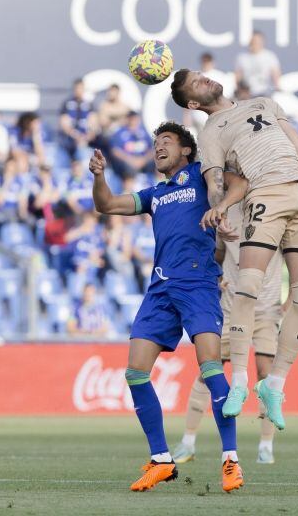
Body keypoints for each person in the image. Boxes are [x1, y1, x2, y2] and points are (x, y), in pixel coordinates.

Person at [170, 68, 298, 431]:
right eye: (196, 83)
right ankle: (239, 380)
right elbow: (214, 178)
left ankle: (274, 385)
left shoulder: (264, 103)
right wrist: (219, 207)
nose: (206, 79)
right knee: (249, 286)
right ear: (193, 102)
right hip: (263, 195)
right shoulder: (211, 131)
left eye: (203, 75)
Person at [90, 122, 244, 493]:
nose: (158, 147)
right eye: (156, 142)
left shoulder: (200, 175)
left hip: (198, 284)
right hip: (160, 288)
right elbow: (106, 204)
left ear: (186, 150)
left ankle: (230, 459)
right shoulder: (155, 194)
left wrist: (221, 206)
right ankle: (161, 459)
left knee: (210, 366)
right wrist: (99, 175)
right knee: (135, 372)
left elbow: (239, 182)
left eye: (167, 141)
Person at [172, 200, 283, 465]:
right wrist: (215, 275)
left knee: (266, 371)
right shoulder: (228, 212)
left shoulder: (277, 209)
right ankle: (188, 441)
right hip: (231, 305)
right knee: (209, 368)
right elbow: (218, 254)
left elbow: (293, 254)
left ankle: (265, 446)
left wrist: (292, 301)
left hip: (266, 307)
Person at [58, 79, 98, 159]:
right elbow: (64, 124)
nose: (79, 91)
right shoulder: (67, 104)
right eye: (77, 88)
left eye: (81, 88)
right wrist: (76, 136)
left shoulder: (89, 105)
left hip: (85, 142)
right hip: (69, 141)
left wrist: (87, 137)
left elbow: (94, 125)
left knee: (85, 153)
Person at [234, 31, 281, 97]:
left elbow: (275, 73)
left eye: (257, 41)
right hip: (248, 94)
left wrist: (277, 86)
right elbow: (238, 75)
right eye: (253, 41)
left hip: (265, 92)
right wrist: (238, 89)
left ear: (262, 42)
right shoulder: (242, 57)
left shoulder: (270, 56)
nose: (255, 43)